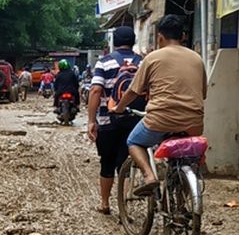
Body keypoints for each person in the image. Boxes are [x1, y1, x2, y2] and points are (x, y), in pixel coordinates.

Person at [112, 14, 207, 196]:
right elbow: (203, 94)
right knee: (187, 161)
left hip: (160, 119)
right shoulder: (197, 59)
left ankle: (149, 176)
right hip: (194, 122)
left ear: (160, 37)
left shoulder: (152, 58)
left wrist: (119, 108)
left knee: (133, 142)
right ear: (183, 36)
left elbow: (133, 91)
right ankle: (183, 204)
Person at [87, 26, 143, 214]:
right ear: (133, 41)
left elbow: (95, 90)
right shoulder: (143, 63)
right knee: (126, 162)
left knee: (107, 162)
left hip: (108, 120)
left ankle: (104, 203)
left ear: (114, 42)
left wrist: (91, 120)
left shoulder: (104, 62)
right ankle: (124, 207)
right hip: (135, 121)